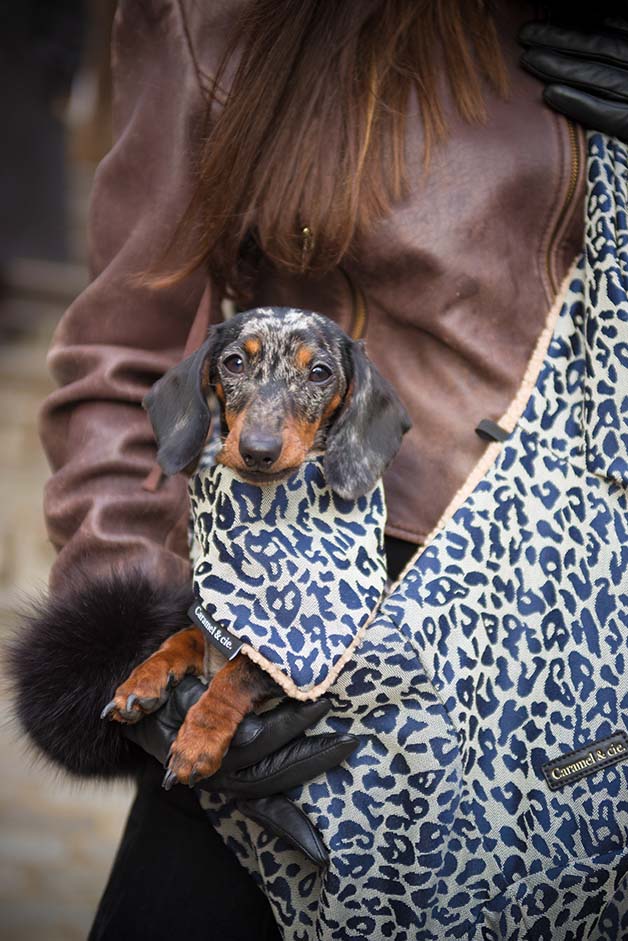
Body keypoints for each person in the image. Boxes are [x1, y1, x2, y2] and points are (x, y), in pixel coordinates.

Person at [8, 2, 628, 939]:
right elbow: (120, 358)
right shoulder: (221, 17)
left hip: (556, 667)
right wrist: (134, 636)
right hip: (282, 635)